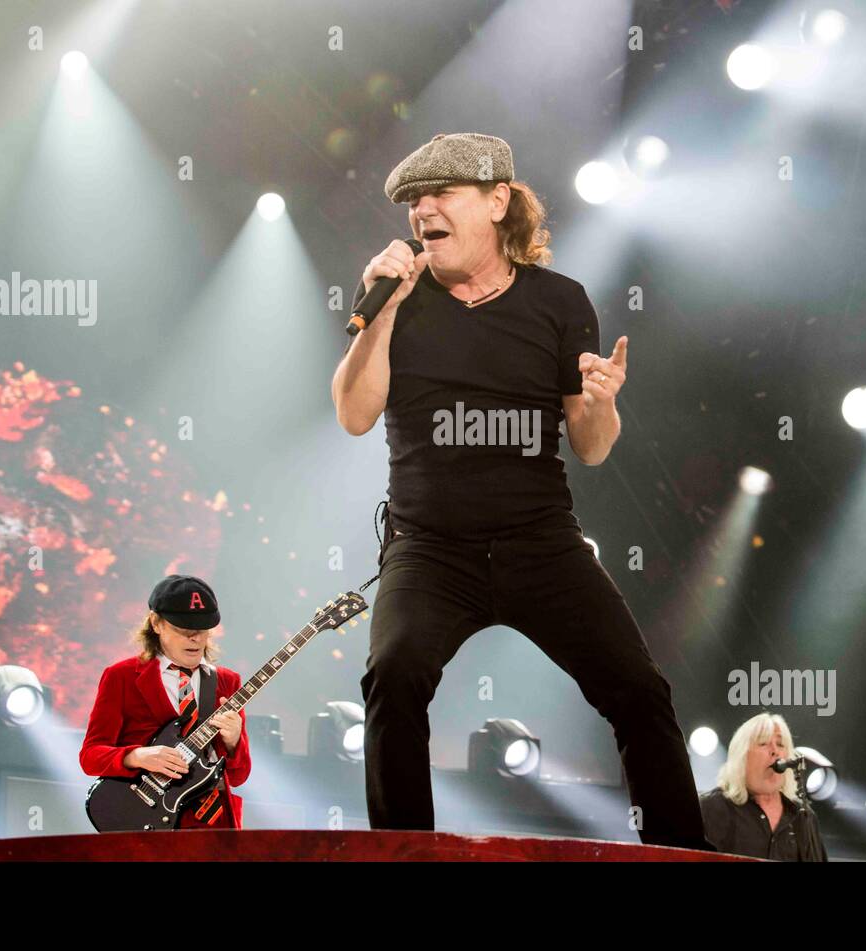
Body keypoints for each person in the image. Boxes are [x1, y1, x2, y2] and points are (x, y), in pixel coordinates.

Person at [331, 131, 710, 850]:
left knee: (639, 689)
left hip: (542, 545)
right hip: (430, 549)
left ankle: (684, 854)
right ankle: (403, 853)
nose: (422, 210)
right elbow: (354, 414)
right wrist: (378, 313)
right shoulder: (396, 296)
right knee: (395, 674)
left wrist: (600, 403)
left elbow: (592, 447)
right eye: (415, 199)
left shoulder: (560, 302)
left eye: (442, 193)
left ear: (498, 201)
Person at [79, 574, 252, 828]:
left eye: (202, 630)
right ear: (156, 623)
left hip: (212, 828)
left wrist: (234, 742)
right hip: (143, 824)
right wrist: (136, 756)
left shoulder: (228, 682)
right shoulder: (122, 677)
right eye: (183, 630)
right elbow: (90, 757)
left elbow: (239, 776)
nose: (195, 639)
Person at [698, 712, 829, 861]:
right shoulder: (712, 808)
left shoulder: (803, 816)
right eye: (763, 743)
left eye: (780, 744)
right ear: (742, 756)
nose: (775, 751)